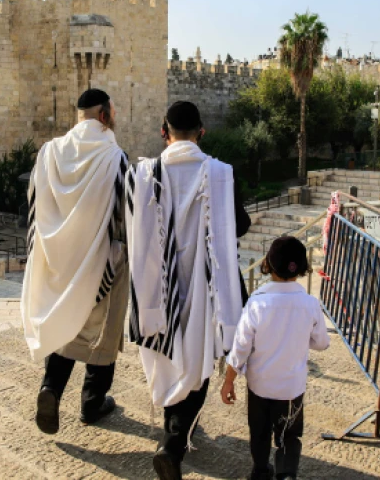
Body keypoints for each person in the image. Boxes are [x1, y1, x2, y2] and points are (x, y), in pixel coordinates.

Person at [126, 101, 243, 479]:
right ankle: (172, 444)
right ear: (202, 131)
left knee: (167, 357)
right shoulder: (221, 174)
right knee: (197, 364)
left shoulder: (144, 173)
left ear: (164, 131)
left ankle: (171, 435)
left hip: (156, 287)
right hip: (205, 285)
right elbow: (238, 225)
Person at [22, 88, 130, 435]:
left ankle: (50, 388)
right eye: (113, 110)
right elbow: (123, 216)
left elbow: (34, 202)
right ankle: (92, 401)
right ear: (104, 115)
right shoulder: (115, 158)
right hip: (100, 260)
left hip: (56, 258)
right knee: (103, 330)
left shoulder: (49, 151)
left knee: (66, 320)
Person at [220, 236, 330, 480]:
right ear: (301, 268)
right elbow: (322, 343)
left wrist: (229, 381)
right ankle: (286, 473)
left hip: (259, 385)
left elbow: (240, 348)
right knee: (290, 434)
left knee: (259, 432)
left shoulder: (257, 303)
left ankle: (260, 470)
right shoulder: (310, 304)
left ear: (267, 264)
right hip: (291, 387)